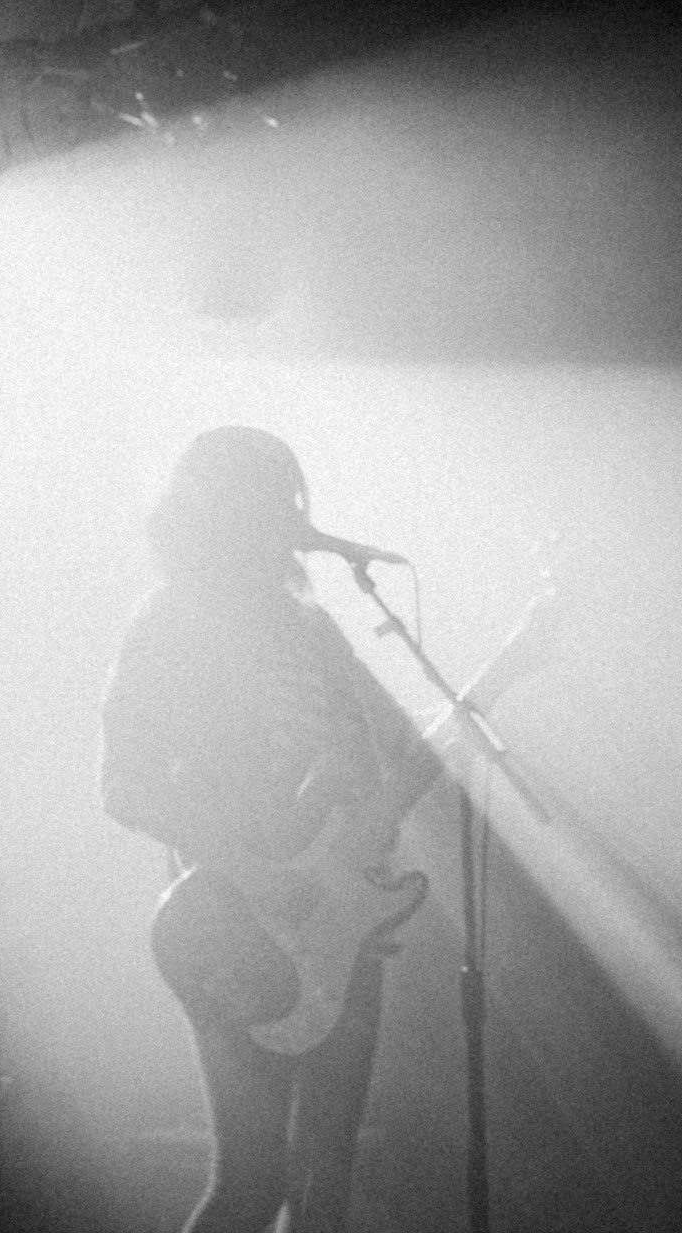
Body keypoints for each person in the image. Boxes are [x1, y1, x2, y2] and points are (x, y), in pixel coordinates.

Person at [100, 427, 553, 1233]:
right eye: (275, 498)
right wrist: (251, 867)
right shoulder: (170, 621)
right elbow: (123, 786)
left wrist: (505, 667)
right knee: (251, 1182)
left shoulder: (313, 629)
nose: (293, 515)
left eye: (294, 498)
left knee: (325, 1185)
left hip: (339, 917)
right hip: (234, 920)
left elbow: (395, 753)